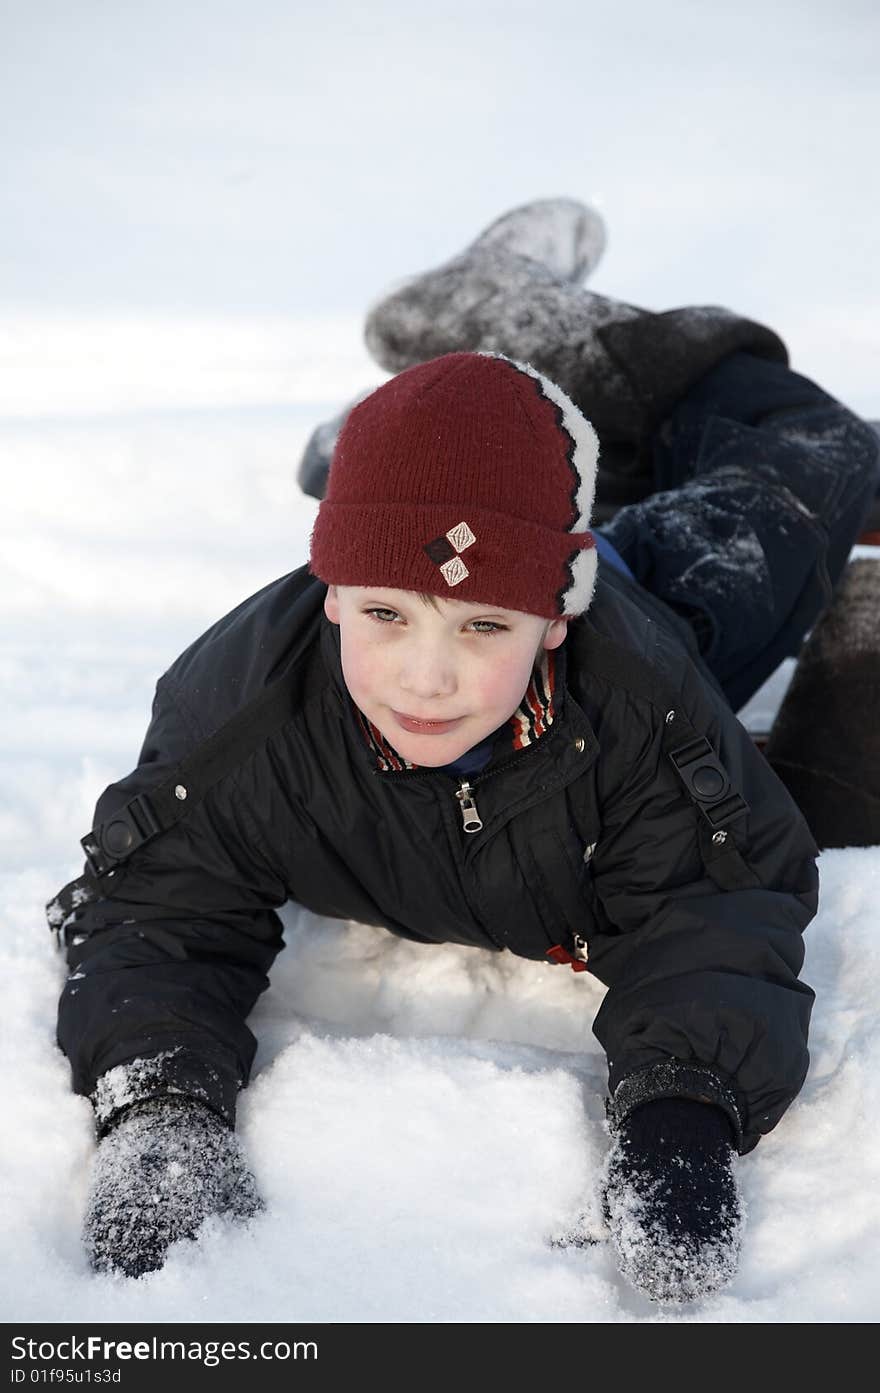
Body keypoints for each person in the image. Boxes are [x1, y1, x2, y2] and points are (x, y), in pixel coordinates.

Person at [50, 200, 880, 1304]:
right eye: (386, 616)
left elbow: (712, 899)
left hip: (656, 595)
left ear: (552, 623)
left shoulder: (638, 697)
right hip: (538, 547)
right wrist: (158, 1108)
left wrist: (679, 1118)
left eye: (483, 627)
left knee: (828, 456)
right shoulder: (246, 709)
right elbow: (155, 907)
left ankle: (508, 329)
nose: (426, 677)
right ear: (334, 595)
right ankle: (441, 429)